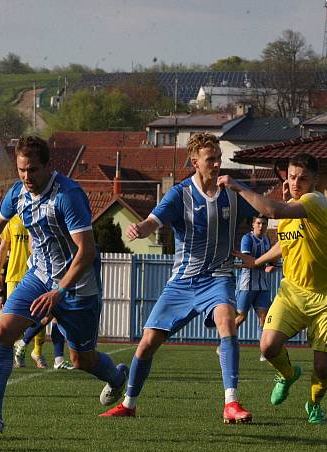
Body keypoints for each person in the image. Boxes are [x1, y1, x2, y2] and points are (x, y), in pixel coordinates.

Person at [0, 135, 128, 435]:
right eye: (22, 170)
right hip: (38, 277)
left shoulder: (68, 195)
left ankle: (116, 377)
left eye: (33, 170)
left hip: (77, 286)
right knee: (3, 332)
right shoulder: (17, 193)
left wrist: (60, 291)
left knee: (81, 360)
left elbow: (87, 250)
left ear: (47, 167)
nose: (27, 177)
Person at [100, 132, 258, 424]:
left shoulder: (233, 192)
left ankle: (231, 403)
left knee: (226, 322)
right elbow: (153, 220)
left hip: (218, 277)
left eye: (218, 158)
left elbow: (264, 207)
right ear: (195, 162)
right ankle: (129, 403)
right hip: (183, 282)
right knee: (147, 343)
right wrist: (141, 229)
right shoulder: (179, 194)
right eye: (210, 159)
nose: (216, 164)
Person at [218, 152, 327, 424]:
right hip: (293, 291)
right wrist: (258, 261)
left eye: (303, 178)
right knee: (267, 346)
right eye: (291, 176)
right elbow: (286, 243)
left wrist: (238, 186)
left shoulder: (316, 201)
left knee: (323, 368)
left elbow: (272, 211)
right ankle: (288, 374)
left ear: (315, 180)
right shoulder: (292, 208)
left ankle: (313, 404)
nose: (296, 182)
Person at [0, 213, 73, 370]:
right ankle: (12, 352)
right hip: (14, 275)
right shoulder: (11, 220)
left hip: (38, 276)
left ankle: (37, 352)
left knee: (43, 313)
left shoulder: (38, 216)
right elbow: (3, 247)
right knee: (11, 319)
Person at [235, 215, 274, 361]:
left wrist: (271, 265)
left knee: (264, 319)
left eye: (264, 223)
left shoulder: (266, 239)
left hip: (262, 285)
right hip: (247, 285)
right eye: (258, 223)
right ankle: (225, 344)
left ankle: (264, 351)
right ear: (253, 224)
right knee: (240, 318)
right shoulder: (247, 239)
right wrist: (265, 265)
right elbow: (247, 260)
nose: (261, 226)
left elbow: (270, 260)